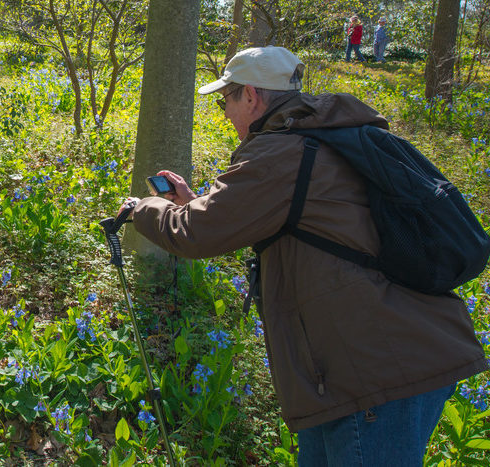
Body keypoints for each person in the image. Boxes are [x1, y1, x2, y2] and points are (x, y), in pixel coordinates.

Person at [121, 46, 487, 466]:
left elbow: (197, 234)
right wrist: (193, 203)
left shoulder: (282, 152)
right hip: (383, 359)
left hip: (372, 372)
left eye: (227, 99)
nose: (224, 112)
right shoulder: (327, 134)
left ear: (253, 96)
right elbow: (289, 215)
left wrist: (144, 208)